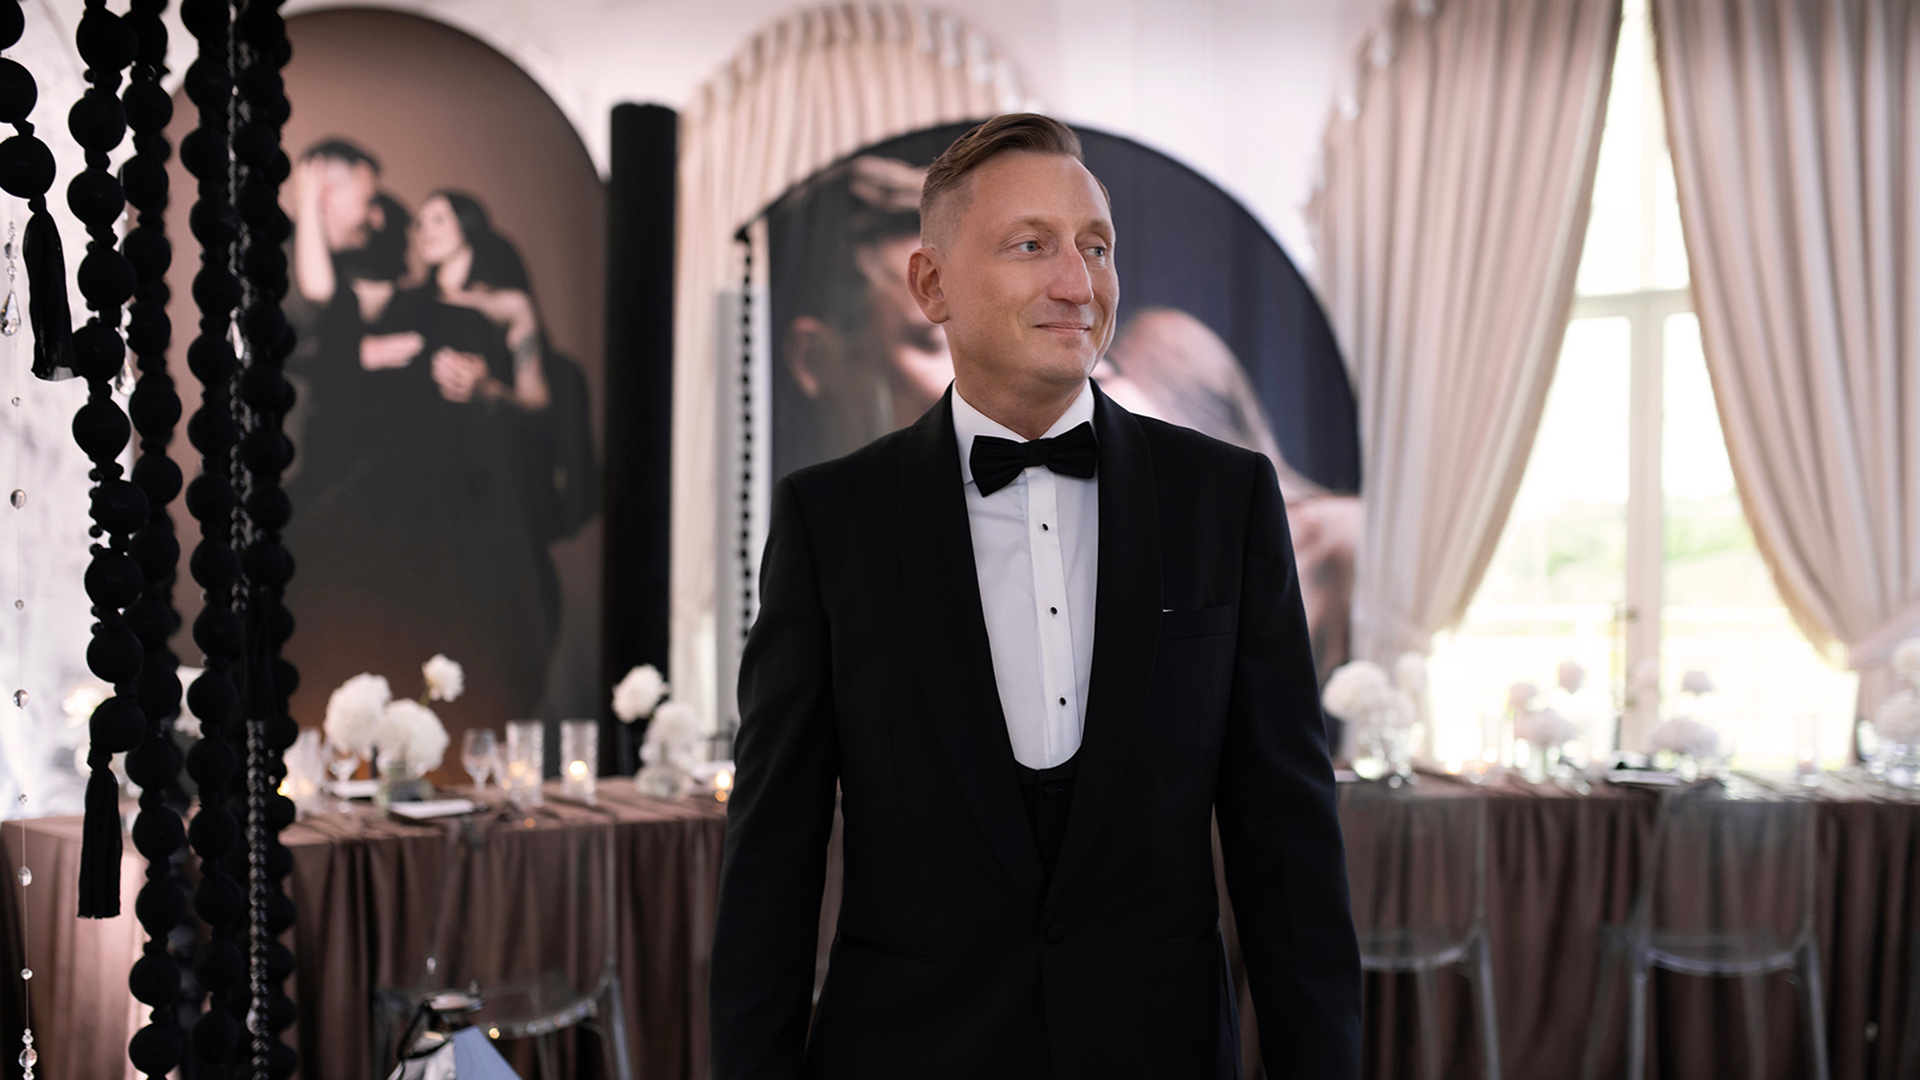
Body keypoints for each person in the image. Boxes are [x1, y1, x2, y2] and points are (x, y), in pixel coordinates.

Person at [711, 114, 1360, 1078]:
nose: (1077, 283)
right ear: (932, 283)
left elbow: (1287, 846)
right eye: (1031, 246)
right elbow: (773, 858)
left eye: (1096, 247)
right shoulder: (830, 521)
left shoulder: (1225, 501)